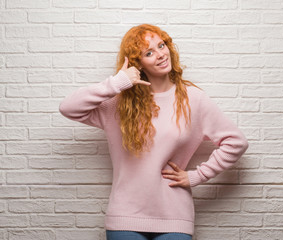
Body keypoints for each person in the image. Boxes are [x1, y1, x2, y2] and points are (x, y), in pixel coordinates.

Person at [59, 24, 249, 240]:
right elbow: (68, 107)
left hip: (174, 217)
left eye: (161, 45)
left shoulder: (193, 99)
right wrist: (118, 83)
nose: (160, 54)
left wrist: (197, 175)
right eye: (149, 53)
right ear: (137, 63)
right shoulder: (118, 104)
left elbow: (236, 142)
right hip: (125, 216)